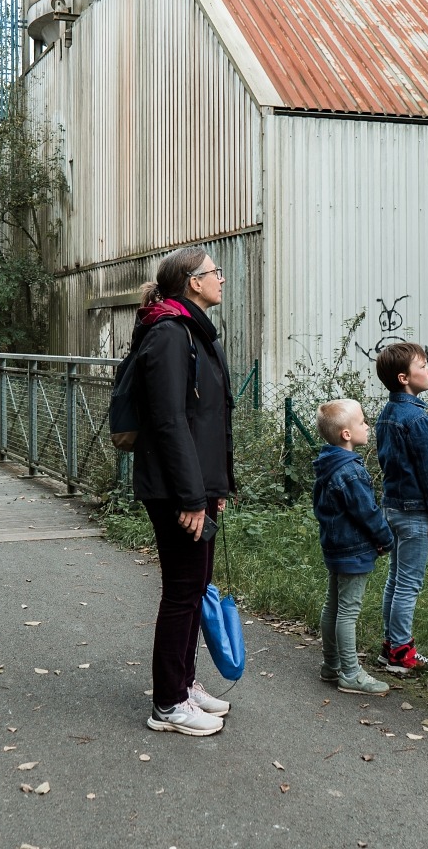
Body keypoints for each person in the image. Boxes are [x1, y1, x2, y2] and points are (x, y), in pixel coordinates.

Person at [132, 245, 236, 736]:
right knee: (181, 590)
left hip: (194, 484)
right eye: (215, 272)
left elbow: (205, 421)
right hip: (175, 488)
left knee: (194, 587)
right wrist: (192, 497)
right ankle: (169, 703)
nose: (221, 278)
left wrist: (212, 489)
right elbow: (170, 422)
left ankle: (185, 681)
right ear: (193, 282)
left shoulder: (194, 331)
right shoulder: (171, 335)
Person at [372, 342, 428, 674]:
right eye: (423, 365)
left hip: (392, 507)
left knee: (395, 579)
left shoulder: (387, 414)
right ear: (404, 378)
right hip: (415, 511)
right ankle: (401, 652)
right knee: (408, 583)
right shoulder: (417, 417)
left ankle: (390, 646)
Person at [312, 399, 394, 696]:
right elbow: (367, 512)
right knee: (348, 611)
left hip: (335, 547)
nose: (367, 426)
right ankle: (350, 672)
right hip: (353, 549)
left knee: (332, 605)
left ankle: (331, 665)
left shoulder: (328, 463)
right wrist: (385, 539)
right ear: (346, 434)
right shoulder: (351, 472)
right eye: (362, 422)